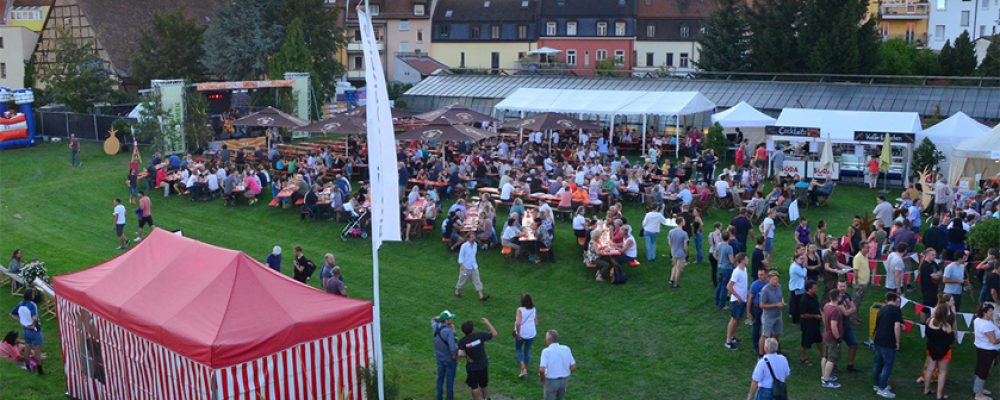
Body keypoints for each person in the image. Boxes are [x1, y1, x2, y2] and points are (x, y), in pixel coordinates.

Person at [922, 297, 955, 400]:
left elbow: (927, 333)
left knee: (930, 369)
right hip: (944, 351)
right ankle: (939, 395)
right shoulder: (947, 326)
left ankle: (926, 389)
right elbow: (951, 340)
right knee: (942, 372)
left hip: (931, 348)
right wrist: (951, 333)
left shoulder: (929, 321)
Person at [457, 318, 497, 400]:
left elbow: (460, 354)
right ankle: (485, 398)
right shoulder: (480, 335)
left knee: (474, 387)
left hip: (472, 367)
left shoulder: (462, 341)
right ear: (473, 329)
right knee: (484, 384)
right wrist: (488, 323)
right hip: (483, 365)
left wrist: (467, 356)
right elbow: (494, 334)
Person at [873, 292, 903, 399]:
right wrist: (897, 342)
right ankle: (882, 388)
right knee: (887, 365)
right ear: (895, 299)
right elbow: (897, 327)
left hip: (878, 340)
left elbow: (877, 324)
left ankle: (877, 384)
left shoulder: (882, 309)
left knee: (878, 363)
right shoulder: (896, 311)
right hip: (888, 341)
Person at [9, 290, 43, 375]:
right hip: (35, 331)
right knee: (37, 350)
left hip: (25, 330)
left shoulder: (20, 303)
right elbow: (34, 318)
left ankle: (28, 367)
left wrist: (22, 321)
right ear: (31, 296)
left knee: (27, 348)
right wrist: (33, 325)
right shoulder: (32, 305)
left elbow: (12, 314)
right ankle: (40, 371)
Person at [973, 303, 1000, 400]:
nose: (992, 312)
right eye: (990, 311)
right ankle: (978, 395)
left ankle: (978, 389)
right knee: (983, 371)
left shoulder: (977, 320)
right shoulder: (987, 325)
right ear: (985, 312)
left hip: (981, 349)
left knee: (980, 369)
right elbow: (993, 341)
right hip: (988, 351)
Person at [539, 329, 576, 400]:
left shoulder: (546, 351)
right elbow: (573, 367)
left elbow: (541, 370)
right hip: (564, 381)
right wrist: (565, 373)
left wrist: (542, 379)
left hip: (551, 381)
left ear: (548, 340)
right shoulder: (566, 349)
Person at [432, 311, 459, 400]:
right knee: (449, 382)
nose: (452, 319)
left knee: (440, 380)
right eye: (450, 318)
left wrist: (440, 317)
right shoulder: (449, 332)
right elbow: (452, 348)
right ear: (447, 320)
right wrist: (454, 332)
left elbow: (432, 319)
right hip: (449, 360)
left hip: (439, 359)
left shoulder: (435, 327)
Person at [820, 289, 843, 389]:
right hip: (832, 337)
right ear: (837, 297)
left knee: (825, 356)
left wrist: (826, 329)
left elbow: (824, 319)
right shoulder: (835, 310)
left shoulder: (826, 306)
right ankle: (826, 380)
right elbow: (834, 326)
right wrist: (838, 338)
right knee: (831, 359)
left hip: (826, 334)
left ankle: (824, 375)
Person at [725, 253, 749, 350]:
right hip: (737, 300)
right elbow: (729, 286)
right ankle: (728, 341)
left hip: (743, 299)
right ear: (742, 260)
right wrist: (738, 297)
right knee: (734, 319)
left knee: (738, 319)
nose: (748, 259)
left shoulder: (745, 269)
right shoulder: (737, 272)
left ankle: (732, 336)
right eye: (746, 258)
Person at [456, 234, 488, 301]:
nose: (473, 239)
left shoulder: (475, 245)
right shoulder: (464, 246)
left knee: (477, 281)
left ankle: (481, 296)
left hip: (474, 266)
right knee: (462, 280)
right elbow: (461, 256)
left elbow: (473, 256)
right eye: (472, 237)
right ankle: (457, 291)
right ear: (468, 238)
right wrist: (461, 265)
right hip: (465, 267)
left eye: (474, 237)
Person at [759, 271, 785, 356]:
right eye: (774, 279)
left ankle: (774, 351)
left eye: (777, 279)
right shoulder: (765, 290)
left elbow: (781, 297)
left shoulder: (779, 287)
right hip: (768, 316)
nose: (775, 281)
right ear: (769, 279)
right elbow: (762, 305)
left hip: (778, 315)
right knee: (765, 336)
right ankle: (761, 354)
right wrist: (775, 305)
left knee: (777, 334)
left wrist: (782, 302)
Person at [514, 293, 539, 379]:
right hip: (531, 333)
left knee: (518, 349)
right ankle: (525, 368)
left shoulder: (520, 310)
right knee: (527, 350)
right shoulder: (534, 309)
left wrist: (518, 333)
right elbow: (536, 322)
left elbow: (518, 323)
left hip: (522, 333)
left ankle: (523, 367)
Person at [799, 281, 823, 367]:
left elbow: (817, 307)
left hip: (815, 324)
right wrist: (815, 316)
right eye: (814, 288)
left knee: (819, 340)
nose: (816, 289)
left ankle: (823, 355)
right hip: (807, 325)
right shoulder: (804, 300)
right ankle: (803, 358)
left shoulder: (814, 296)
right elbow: (802, 314)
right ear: (809, 289)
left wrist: (821, 314)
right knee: (805, 342)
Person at [748, 268, 768, 355]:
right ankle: (756, 346)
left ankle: (768, 345)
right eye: (758, 274)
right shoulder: (755, 285)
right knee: (757, 327)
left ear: (766, 275)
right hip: (757, 309)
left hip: (767, 309)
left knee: (768, 328)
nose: (759, 276)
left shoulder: (769, 283)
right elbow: (750, 299)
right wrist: (748, 312)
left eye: (761, 274)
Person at [919, 248, 942, 321]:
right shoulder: (925, 265)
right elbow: (934, 276)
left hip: (934, 288)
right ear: (927, 255)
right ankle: (923, 323)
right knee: (925, 307)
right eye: (932, 255)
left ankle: (929, 320)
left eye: (935, 254)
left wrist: (937, 275)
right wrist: (937, 275)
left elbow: (940, 272)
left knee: (933, 306)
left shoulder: (933, 263)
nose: (934, 256)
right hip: (927, 289)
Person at [715, 232, 735, 309]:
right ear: (729, 238)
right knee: (725, 286)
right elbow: (731, 261)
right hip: (727, 268)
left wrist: (719, 260)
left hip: (720, 267)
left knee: (720, 284)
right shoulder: (729, 248)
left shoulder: (719, 245)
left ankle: (716, 300)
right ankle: (722, 304)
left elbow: (715, 254)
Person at [667, 217, 689, 288]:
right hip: (681, 252)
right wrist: (686, 253)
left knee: (674, 266)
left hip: (673, 251)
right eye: (684, 221)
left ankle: (671, 280)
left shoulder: (671, 231)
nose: (685, 221)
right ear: (681, 223)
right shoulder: (684, 233)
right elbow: (685, 245)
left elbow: (669, 242)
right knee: (678, 268)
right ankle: (676, 284)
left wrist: (672, 248)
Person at [788, 254, 808, 323]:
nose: (802, 260)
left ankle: (797, 318)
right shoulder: (795, 267)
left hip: (798, 287)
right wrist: (805, 267)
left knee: (798, 303)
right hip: (796, 288)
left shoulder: (796, 265)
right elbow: (804, 274)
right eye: (800, 259)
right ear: (796, 259)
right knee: (796, 304)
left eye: (802, 259)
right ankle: (796, 319)